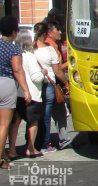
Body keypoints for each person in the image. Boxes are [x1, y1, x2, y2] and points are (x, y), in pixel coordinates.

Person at [8, 29, 45, 159]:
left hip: (16, 92)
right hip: (31, 93)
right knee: (33, 121)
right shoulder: (30, 56)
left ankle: (12, 149)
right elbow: (36, 78)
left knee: (15, 121)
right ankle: (31, 148)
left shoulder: (13, 54)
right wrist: (43, 73)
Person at [0, 16, 31, 168]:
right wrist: (25, 90)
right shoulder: (14, 49)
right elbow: (17, 70)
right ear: (14, 32)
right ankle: (1, 159)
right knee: (4, 124)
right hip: (6, 84)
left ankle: (3, 154)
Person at [33, 22, 69, 153]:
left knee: (36, 116)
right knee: (47, 115)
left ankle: (33, 143)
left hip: (35, 85)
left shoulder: (31, 49)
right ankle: (45, 144)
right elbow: (58, 71)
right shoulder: (49, 49)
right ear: (45, 34)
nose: (60, 32)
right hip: (49, 86)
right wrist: (66, 83)